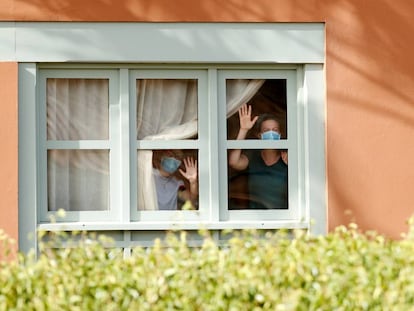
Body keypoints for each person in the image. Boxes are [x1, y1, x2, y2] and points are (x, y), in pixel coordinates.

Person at [228, 103, 288, 209]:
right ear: (259, 136)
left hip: (281, 219)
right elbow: (234, 162)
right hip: (256, 219)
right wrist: (243, 130)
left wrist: (292, 167)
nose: (271, 133)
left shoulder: (287, 158)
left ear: (280, 134)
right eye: (266, 131)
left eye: (275, 130)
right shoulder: (253, 156)